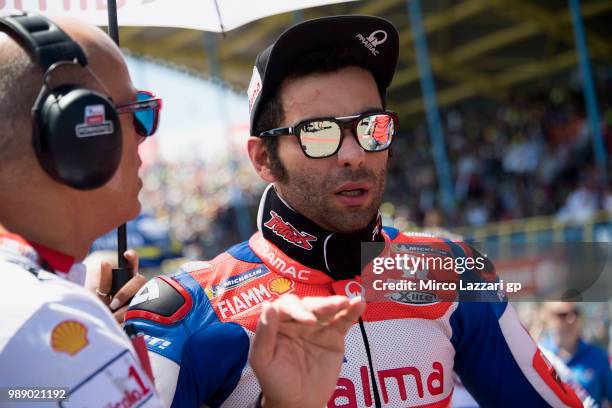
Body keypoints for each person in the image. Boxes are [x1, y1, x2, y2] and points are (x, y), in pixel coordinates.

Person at [127, 15, 583, 407]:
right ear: (263, 159)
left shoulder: (451, 270)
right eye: (319, 132)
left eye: (371, 126)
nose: (354, 154)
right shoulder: (188, 311)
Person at [0, 13, 364, 408]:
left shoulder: (43, 311)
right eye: (138, 112)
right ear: (78, 134)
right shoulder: (51, 322)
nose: (146, 133)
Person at [540, 302, 612, 407]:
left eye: (575, 313)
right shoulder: (539, 354)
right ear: (547, 319)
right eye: (562, 315)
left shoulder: (598, 356)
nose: (571, 319)